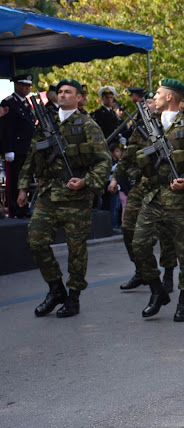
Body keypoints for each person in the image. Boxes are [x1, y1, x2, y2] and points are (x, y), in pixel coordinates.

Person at [16, 78, 111, 317]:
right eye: (60, 92)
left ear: (79, 97)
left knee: (76, 250)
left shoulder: (88, 125)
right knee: (36, 240)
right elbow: (31, 156)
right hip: (48, 195)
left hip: (75, 197)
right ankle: (56, 288)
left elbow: (104, 161)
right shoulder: (47, 124)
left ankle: (74, 296)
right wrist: (23, 187)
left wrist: (86, 182)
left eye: (69, 92)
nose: (63, 95)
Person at [133, 78, 184, 322]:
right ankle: (157, 290)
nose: (154, 97)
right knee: (139, 245)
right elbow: (133, 156)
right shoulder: (148, 125)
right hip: (154, 196)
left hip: (180, 199)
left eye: (158, 93)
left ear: (169, 97)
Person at [111, 90, 177, 293]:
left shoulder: (170, 124)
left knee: (166, 233)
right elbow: (128, 155)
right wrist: (116, 177)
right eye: (147, 102)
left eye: (152, 101)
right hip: (143, 184)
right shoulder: (141, 129)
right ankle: (141, 270)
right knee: (127, 227)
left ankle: (168, 275)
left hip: (166, 185)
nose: (150, 105)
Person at [0, 74, 37, 219]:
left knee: (25, 179)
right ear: (17, 85)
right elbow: (6, 128)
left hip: (26, 147)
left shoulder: (27, 103)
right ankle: (14, 209)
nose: (27, 88)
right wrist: (8, 149)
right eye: (24, 85)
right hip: (15, 148)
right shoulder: (9, 102)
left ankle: (23, 206)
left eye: (29, 86)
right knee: (14, 180)